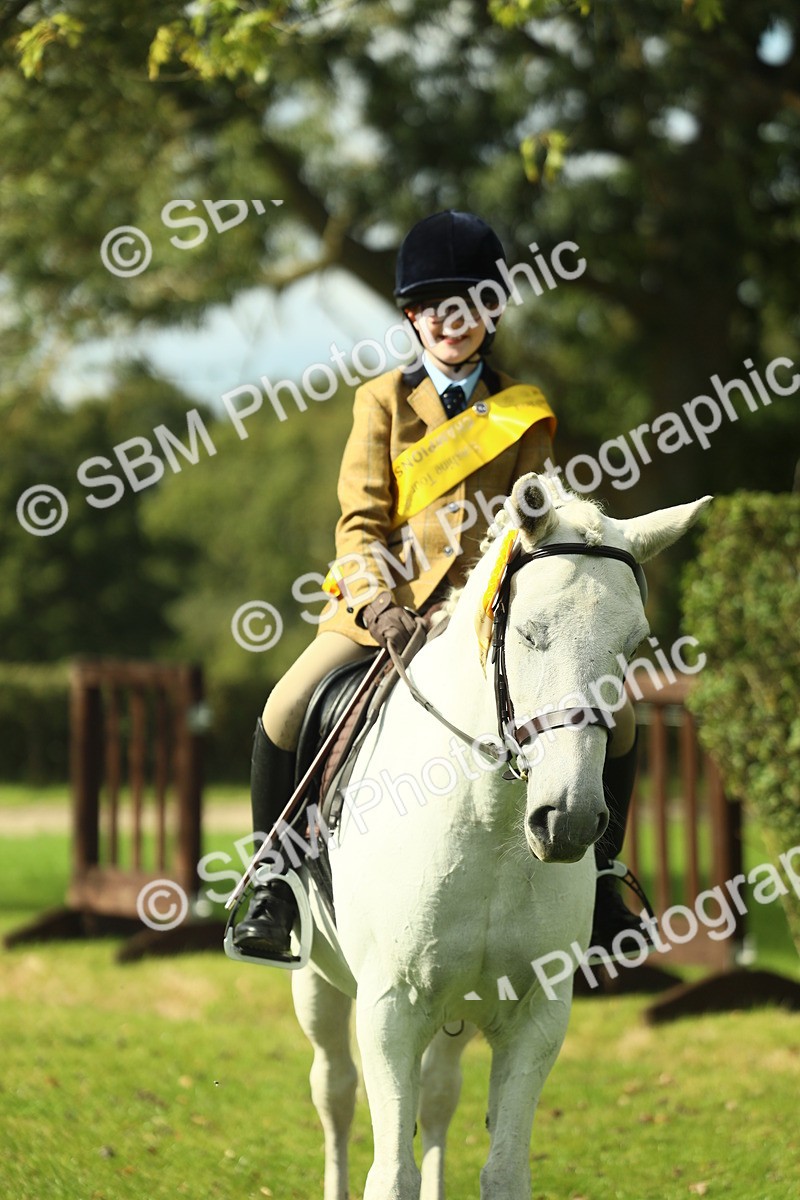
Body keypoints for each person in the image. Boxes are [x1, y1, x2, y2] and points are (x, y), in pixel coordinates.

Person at [232, 210, 641, 961]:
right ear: (411, 317)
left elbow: (536, 528)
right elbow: (359, 522)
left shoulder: (522, 413)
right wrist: (377, 605)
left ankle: (605, 881)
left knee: (620, 719)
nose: (451, 322)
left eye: (469, 305)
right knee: (284, 706)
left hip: (485, 615)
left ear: (493, 313)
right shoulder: (382, 399)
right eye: (432, 307)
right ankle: (272, 883)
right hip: (379, 611)